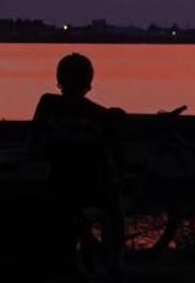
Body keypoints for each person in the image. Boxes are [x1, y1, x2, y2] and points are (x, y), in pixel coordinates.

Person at [29, 52, 126, 271]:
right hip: (94, 189)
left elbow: (33, 143)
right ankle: (115, 259)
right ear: (89, 83)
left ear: (59, 80)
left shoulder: (47, 105)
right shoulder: (100, 115)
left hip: (57, 185)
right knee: (114, 200)